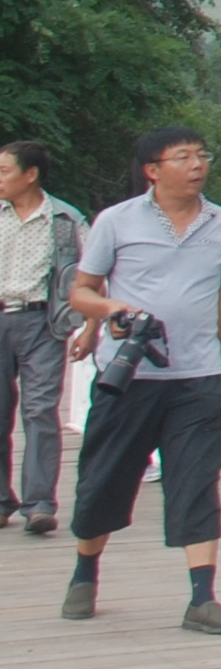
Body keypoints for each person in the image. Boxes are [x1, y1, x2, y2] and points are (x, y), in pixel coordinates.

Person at [62, 127, 221, 634]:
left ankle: (202, 598)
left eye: (201, 154)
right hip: (130, 376)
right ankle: (85, 572)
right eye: (182, 156)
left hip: (198, 378)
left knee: (197, 483)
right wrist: (110, 309)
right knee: (105, 479)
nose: (196, 164)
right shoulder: (116, 221)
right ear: (153, 170)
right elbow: (82, 291)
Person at [0, 141, 86, 536]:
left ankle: (40, 504)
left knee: (39, 412)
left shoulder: (65, 219)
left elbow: (91, 272)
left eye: (4, 171)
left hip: (41, 322)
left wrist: (89, 324)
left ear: (30, 174)